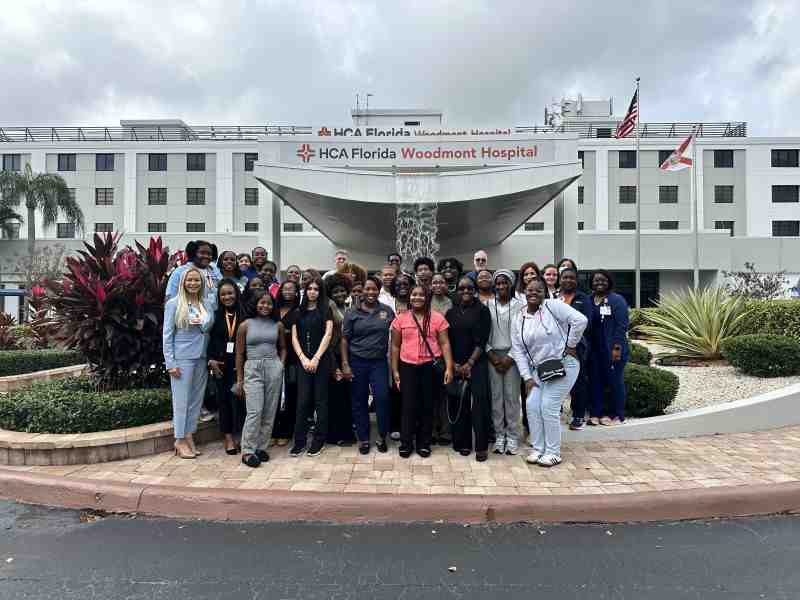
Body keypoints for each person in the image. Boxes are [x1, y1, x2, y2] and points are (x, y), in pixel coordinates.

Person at [510, 280, 587, 467]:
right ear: (524, 292)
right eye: (530, 290)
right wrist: (527, 377)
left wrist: (571, 344)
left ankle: (553, 452)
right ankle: (538, 448)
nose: (534, 293)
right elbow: (518, 350)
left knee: (548, 406)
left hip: (564, 364)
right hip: (540, 370)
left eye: (539, 290)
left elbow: (580, 320)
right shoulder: (519, 317)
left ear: (545, 292)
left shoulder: (553, 306)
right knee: (532, 404)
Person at [390, 284, 454, 458]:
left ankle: (424, 443)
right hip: (407, 366)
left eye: (421, 295)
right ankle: (406, 443)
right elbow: (395, 346)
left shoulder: (438, 318)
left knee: (427, 406)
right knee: (408, 405)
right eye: (413, 294)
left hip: (429, 367)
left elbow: (445, 343)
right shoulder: (400, 319)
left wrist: (449, 367)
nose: (417, 297)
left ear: (427, 297)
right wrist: (395, 370)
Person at [163, 267, 214, 459]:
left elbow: (207, 328)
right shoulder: (174, 304)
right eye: (189, 280)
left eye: (197, 280)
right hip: (182, 357)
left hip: (201, 356)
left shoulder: (206, 304)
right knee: (181, 401)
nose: (193, 283)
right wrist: (170, 363)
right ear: (183, 282)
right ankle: (179, 439)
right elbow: (167, 335)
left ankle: (189, 434)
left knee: (196, 400)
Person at [341, 276, 396, 454]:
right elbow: (344, 340)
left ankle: (381, 436)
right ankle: (364, 439)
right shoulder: (352, 312)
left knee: (382, 398)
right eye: (367, 289)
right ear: (362, 290)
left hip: (379, 363)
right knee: (359, 400)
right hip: (357, 362)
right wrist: (345, 364)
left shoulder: (387, 311)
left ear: (379, 290)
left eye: (374, 289)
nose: (371, 292)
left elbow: (396, 336)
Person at [234, 290, 286, 468]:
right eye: (262, 303)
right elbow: (239, 354)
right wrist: (240, 379)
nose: (265, 306)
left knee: (269, 410)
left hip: (273, 367)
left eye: (269, 303)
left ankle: (261, 447)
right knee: (254, 411)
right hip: (253, 368)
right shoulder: (245, 325)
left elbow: (283, 347)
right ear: (255, 304)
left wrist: (281, 365)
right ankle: (247, 451)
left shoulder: (277, 324)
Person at [446, 276, 492, 461]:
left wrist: (470, 363)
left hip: (477, 363)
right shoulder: (451, 313)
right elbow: (446, 341)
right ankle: (462, 442)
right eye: (462, 288)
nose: (466, 291)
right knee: (460, 402)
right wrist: (454, 364)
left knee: (479, 404)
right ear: (457, 291)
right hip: (456, 364)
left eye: (469, 288)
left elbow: (483, 340)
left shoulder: (482, 310)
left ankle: (481, 446)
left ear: (474, 290)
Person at [289, 278, 334, 457]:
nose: (313, 292)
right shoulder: (297, 312)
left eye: (316, 289)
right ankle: (299, 441)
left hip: (321, 362)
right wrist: (303, 358)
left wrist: (315, 358)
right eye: (309, 289)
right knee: (302, 402)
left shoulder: (325, 310)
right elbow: (294, 338)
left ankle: (318, 441)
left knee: (320, 402)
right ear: (305, 291)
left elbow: (328, 334)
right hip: (303, 362)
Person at [486, 269, 525, 455]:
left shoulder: (520, 305)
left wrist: (510, 357)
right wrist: (492, 355)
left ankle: (512, 436)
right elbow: (483, 332)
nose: (501, 286)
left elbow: (520, 334)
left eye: (505, 282)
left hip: (513, 356)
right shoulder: (488, 304)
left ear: (511, 284)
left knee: (511, 397)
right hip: (492, 355)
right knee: (496, 398)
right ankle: (499, 435)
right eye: (498, 283)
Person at [207, 279, 246, 455]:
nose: (227, 297)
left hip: (240, 364)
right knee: (224, 402)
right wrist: (210, 360)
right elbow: (207, 340)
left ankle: (240, 436)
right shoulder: (214, 316)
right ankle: (228, 438)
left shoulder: (245, 314)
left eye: (230, 293)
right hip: (220, 365)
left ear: (236, 294)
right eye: (223, 294)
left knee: (239, 401)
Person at [588, 270, 630, 426]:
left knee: (614, 382)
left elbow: (622, 326)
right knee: (595, 382)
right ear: (591, 283)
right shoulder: (589, 299)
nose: (599, 283)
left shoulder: (617, 300)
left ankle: (616, 414)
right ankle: (595, 413)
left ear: (609, 282)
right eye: (596, 280)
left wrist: (617, 348)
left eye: (603, 280)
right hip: (594, 350)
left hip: (613, 349)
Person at [558, 267, 593, 430]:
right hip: (556, 347)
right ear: (560, 279)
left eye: (572, 278)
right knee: (555, 378)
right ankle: (555, 411)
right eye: (565, 277)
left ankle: (578, 415)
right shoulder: (554, 298)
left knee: (578, 381)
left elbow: (586, 322)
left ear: (576, 280)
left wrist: (571, 342)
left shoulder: (583, 299)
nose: (568, 280)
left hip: (576, 348)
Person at [325, 274, 357, 446]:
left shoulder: (348, 307)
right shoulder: (329, 308)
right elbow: (329, 338)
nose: (339, 294)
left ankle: (346, 432)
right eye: (335, 291)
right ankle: (335, 435)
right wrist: (334, 365)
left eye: (342, 291)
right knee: (336, 397)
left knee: (347, 396)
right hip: (334, 356)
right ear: (330, 293)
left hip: (349, 355)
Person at [272, 279, 301, 445]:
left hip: (293, 358)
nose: (288, 291)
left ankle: (286, 431)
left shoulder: (299, 310)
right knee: (273, 395)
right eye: (285, 288)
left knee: (290, 394)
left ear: (297, 292)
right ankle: (274, 430)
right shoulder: (273, 309)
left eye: (292, 289)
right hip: (272, 354)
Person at [387, 271, 414, 439]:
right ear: (393, 288)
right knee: (394, 389)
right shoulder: (388, 304)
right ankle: (395, 425)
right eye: (398, 284)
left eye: (406, 284)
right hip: (391, 351)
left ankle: (411, 425)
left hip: (412, 352)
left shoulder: (417, 302)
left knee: (410, 391)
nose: (402, 287)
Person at [165, 240, 222, 309]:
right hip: (188, 315)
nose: (206, 256)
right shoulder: (180, 271)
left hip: (212, 315)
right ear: (193, 253)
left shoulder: (214, 271)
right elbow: (170, 296)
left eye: (209, 254)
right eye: (202, 253)